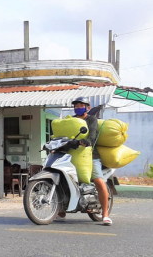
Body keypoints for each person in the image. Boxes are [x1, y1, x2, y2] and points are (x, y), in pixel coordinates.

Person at [57, 97, 112, 226]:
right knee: (62, 178)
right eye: (76, 106)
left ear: (87, 107)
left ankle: (105, 215)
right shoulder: (70, 120)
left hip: (90, 155)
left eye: (81, 105)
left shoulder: (91, 119)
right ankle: (61, 209)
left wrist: (88, 141)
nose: (78, 107)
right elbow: (64, 134)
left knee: (98, 180)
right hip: (72, 154)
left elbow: (92, 133)